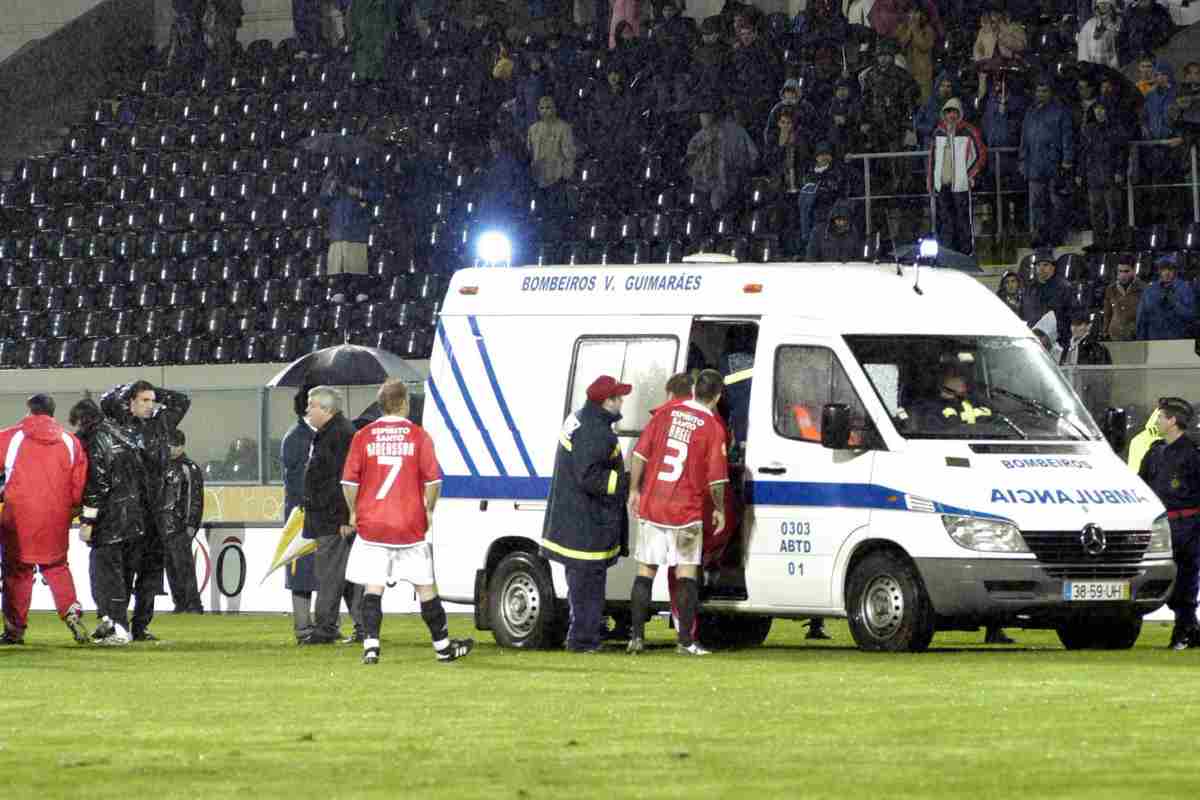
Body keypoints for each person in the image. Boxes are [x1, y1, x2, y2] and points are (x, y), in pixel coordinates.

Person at [341, 379, 473, 665]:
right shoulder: (418, 436)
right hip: (408, 525)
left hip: (373, 525)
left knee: (373, 586)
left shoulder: (363, 436)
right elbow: (434, 481)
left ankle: (371, 647)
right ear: (403, 404)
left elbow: (348, 483)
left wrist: (353, 511)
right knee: (425, 587)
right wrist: (429, 510)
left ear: (380, 405)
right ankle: (442, 648)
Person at [627, 369, 728, 656]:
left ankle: (636, 638)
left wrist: (634, 490)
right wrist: (719, 509)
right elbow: (717, 479)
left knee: (646, 570)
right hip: (686, 509)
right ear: (718, 396)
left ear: (694, 389)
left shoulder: (665, 414)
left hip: (652, 504)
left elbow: (639, 454)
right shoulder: (712, 427)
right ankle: (685, 641)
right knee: (686, 573)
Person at [540, 375, 631, 653]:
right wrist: (625, 482)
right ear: (606, 402)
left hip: (577, 521)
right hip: (585, 525)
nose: (622, 401)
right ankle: (583, 642)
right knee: (587, 588)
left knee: (582, 587)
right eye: (618, 397)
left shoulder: (582, 419)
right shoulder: (595, 430)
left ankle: (583, 637)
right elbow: (590, 477)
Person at [100, 380, 190, 642]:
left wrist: (151, 389)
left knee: (151, 573)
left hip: (156, 510)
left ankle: (141, 625)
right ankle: (119, 624)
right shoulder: (119, 428)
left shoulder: (160, 424)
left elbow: (182, 400)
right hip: (130, 512)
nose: (151, 405)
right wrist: (130, 389)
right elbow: (107, 401)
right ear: (130, 403)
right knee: (126, 571)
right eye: (144, 401)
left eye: (152, 401)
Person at [0, 395, 90, 645]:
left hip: (18, 515)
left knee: (17, 572)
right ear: (52, 412)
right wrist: (69, 511)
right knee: (57, 566)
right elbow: (78, 485)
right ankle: (71, 611)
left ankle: (15, 629)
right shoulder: (70, 441)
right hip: (56, 515)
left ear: (30, 411)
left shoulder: (11, 437)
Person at [71, 398, 148, 647]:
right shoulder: (123, 435)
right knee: (122, 575)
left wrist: (87, 520)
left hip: (111, 522)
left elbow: (98, 484)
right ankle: (111, 622)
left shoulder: (96, 441)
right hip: (133, 519)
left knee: (105, 575)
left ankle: (117, 626)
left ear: (83, 420)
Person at [299, 386, 364, 645]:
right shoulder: (335, 432)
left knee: (329, 574)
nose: (307, 411)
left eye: (311, 406)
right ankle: (363, 627)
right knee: (347, 577)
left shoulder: (338, 435)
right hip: (331, 517)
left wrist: (346, 517)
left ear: (325, 409)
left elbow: (345, 480)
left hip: (333, 519)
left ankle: (325, 628)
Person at [1137, 397, 1200, 650]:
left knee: (1186, 578)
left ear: (1172, 421)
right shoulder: (1155, 452)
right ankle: (1189, 628)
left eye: (1161, 416)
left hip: (1187, 525)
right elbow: (1141, 485)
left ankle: (1185, 628)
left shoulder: (1193, 455)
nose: (1158, 421)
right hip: (1161, 526)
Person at [281, 386, 320, 642]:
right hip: (302, 516)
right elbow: (296, 482)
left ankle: (322, 625)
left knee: (322, 571)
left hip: (318, 513)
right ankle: (303, 628)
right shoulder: (296, 438)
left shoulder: (316, 435)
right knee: (301, 572)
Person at [927, 98, 987, 256]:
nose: (951, 115)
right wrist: (931, 183)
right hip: (943, 185)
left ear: (959, 113)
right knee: (945, 221)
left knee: (963, 220)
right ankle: (948, 253)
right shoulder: (937, 132)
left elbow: (980, 155)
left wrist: (969, 176)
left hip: (961, 186)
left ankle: (965, 253)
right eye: (948, 112)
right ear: (944, 115)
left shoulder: (969, 131)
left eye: (954, 112)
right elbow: (932, 159)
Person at [320, 155, 383, 304]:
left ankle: (360, 290)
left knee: (357, 258)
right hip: (338, 225)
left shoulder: (364, 173)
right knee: (338, 260)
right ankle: (338, 290)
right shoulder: (332, 175)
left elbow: (378, 195)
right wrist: (331, 189)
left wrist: (360, 193)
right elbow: (323, 198)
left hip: (356, 224)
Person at [1019, 76, 1074, 247]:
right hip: (1035, 166)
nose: (1041, 94)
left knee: (1056, 204)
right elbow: (1024, 140)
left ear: (1050, 92)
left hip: (1054, 165)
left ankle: (1056, 236)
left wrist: (1067, 160)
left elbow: (1067, 137)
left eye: (1044, 91)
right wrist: (1023, 161)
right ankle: (1039, 236)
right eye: (1039, 91)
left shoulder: (1060, 112)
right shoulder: (1030, 113)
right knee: (1037, 204)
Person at [685, 99, 760, 213]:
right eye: (702, 113)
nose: (703, 117)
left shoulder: (737, 132)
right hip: (708, 189)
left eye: (706, 113)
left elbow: (754, 159)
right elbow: (690, 164)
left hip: (734, 187)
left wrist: (740, 171)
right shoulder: (698, 138)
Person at [160, 429, 204, 614]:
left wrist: (191, 525)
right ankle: (179, 603)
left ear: (181, 446)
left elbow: (195, 499)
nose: (169, 448)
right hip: (164, 525)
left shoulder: (189, 468)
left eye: (172, 445)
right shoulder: (162, 466)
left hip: (180, 526)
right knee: (171, 567)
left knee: (184, 567)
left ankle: (193, 604)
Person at [1076, 99, 1130, 248]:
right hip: (1093, 174)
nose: (1099, 111)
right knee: (1096, 210)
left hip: (1111, 174)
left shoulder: (1116, 128)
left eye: (1102, 108)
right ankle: (1098, 241)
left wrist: (1120, 170)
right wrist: (1080, 173)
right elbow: (1083, 153)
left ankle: (1115, 240)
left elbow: (1122, 152)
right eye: (1097, 108)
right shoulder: (1088, 129)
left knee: (1114, 209)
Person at [526, 95, 577, 219]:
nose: (545, 111)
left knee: (556, 216)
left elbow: (569, 155)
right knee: (539, 215)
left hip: (557, 179)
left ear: (555, 109)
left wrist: (566, 176)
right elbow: (529, 152)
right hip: (538, 178)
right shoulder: (533, 129)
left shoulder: (564, 128)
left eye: (548, 107)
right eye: (542, 108)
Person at [1020, 248, 1073, 350]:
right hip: (1034, 342)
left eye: (1045, 265)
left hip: (1058, 342)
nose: (1041, 268)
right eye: (1038, 265)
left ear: (1053, 267)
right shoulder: (1029, 290)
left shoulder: (1064, 288)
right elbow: (1024, 315)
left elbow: (1068, 316)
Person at [1136, 255, 1196, 340]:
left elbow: (1191, 316)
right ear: (1159, 271)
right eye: (1163, 269)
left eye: (1170, 269)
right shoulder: (1149, 291)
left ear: (1175, 271)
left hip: (1177, 341)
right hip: (1154, 341)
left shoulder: (1185, 289)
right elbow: (1141, 318)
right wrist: (1141, 341)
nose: (1167, 273)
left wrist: (1175, 304)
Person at [1102, 254, 1145, 341]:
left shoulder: (1144, 289)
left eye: (1126, 271)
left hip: (1136, 339)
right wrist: (1105, 332)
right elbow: (1107, 314)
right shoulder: (1110, 289)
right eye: (1120, 271)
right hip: (1114, 338)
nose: (1122, 275)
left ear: (1134, 270)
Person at [1076, 0, 1121, 69]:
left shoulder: (1118, 22)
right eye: (1100, 3)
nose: (1103, 6)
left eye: (1106, 3)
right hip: (1093, 67)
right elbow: (1083, 46)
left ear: (1111, 5)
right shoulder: (1090, 23)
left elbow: (1120, 41)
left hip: (1112, 66)